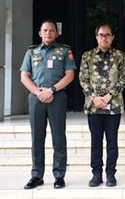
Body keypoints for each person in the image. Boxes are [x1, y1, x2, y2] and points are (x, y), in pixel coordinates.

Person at [20, 19, 76, 189]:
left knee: (58, 138)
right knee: (37, 137)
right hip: (36, 99)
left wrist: (51, 90)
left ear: (56, 33)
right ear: (40, 33)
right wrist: (39, 93)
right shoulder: (32, 52)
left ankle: (59, 175)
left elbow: (70, 75)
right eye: (45, 30)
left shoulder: (64, 51)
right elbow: (24, 76)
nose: (48, 33)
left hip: (57, 97)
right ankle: (36, 175)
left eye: (52, 30)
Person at [79, 23, 125, 187]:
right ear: (96, 37)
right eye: (101, 35)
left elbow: (124, 79)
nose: (104, 38)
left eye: (107, 35)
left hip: (113, 106)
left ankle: (110, 173)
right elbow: (83, 79)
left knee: (112, 142)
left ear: (112, 37)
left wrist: (108, 96)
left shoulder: (120, 56)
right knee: (96, 142)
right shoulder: (88, 56)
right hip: (93, 106)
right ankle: (96, 174)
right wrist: (94, 98)